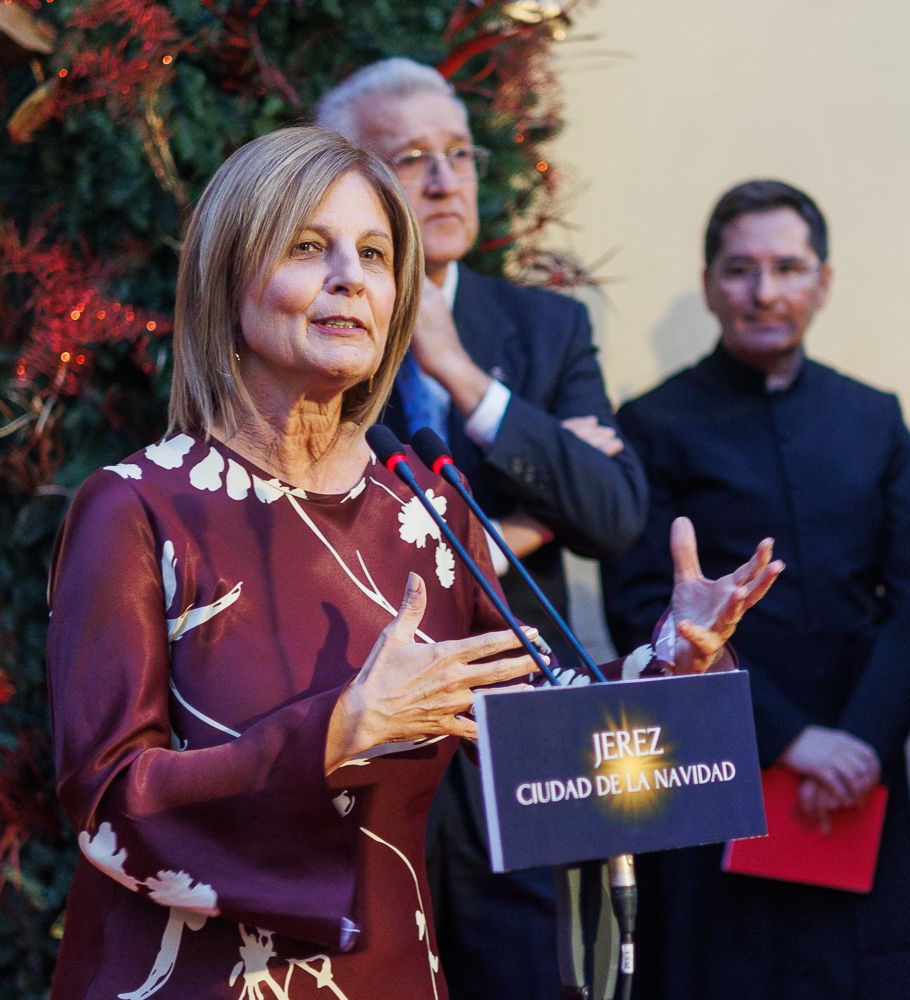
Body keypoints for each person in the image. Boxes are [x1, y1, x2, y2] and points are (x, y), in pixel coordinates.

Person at [44, 125, 782, 1000]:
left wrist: (674, 659)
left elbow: (539, 743)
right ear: (228, 275)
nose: (351, 277)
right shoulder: (135, 508)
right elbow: (107, 804)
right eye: (309, 246)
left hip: (391, 973)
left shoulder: (426, 512)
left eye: (377, 255)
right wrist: (337, 733)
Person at [316, 59, 648, 1000]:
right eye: (410, 157)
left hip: (524, 732)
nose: (443, 179)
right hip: (370, 727)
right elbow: (344, 537)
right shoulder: (319, 325)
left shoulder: (544, 327)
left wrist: (466, 377)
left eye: (458, 154)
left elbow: (618, 514)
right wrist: (530, 526)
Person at [601, 179, 910, 1000]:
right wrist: (791, 743)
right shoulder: (654, 421)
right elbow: (639, 601)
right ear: (707, 283)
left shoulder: (873, 416)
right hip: (718, 764)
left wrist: (858, 743)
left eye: (789, 268)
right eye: (741, 270)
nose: (765, 292)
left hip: (858, 766)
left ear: (822, 282)